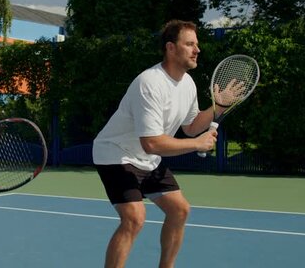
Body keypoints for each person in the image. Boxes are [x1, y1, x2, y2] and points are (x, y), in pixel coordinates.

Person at [93, 19, 230, 268]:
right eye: (189, 44)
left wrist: (217, 107)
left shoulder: (187, 83)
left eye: (196, 44)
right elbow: (152, 143)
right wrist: (198, 144)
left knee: (180, 210)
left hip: (147, 160)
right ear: (170, 48)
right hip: (116, 154)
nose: (197, 50)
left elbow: (191, 126)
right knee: (134, 218)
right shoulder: (150, 83)